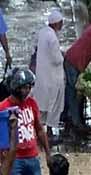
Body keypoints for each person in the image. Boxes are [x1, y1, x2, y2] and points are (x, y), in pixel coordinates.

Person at [0, 67, 52, 175]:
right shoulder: (3, 108)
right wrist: (1, 157)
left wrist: (48, 153)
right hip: (14, 160)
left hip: (32, 156)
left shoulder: (32, 104)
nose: (27, 91)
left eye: (29, 87)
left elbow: (39, 129)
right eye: (24, 88)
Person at [31, 11, 67, 140]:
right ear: (57, 23)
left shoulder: (43, 32)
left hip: (43, 76)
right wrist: (63, 56)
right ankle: (49, 133)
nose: (62, 25)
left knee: (42, 104)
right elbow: (57, 59)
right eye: (61, 23)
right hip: (53, 77)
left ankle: (40, 131)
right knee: (53, 104)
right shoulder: (52, 38)